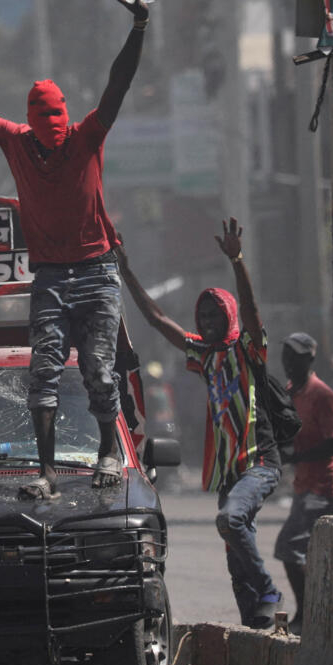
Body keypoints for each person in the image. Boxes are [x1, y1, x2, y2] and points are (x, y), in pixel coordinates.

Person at [0, 0, 149, 500]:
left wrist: (139, 27)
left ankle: (109, 450)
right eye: (45, 130)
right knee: (42, 371)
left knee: (100, 372)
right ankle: (46, 473)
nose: (52, 138)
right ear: (32, 125)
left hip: (96, 271)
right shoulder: (17, 141)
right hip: (49, 276)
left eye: (57, 128)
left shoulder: (86, 137)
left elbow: (117, 84)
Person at [115, 218, 284, 629]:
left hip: (259, 463)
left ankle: (269, 590)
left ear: (228, 316)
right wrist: (125, 270)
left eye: (214, 314)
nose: (207, 320)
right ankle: (257, 625)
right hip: (230, 473)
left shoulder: (248, 350)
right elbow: (156, 319)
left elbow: (251, 310)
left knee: (230, 521)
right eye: (202, 314)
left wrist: (237, 261)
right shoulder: (204, 356)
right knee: (234, 556)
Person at [271, 332, 333, 635]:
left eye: (295, 357)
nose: (288, 362)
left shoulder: (322, 395)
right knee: (302, 551)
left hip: (322, 486)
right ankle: (317, 612)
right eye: (286, 355)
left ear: (309, 359)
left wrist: (296, 456)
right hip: (303, 485)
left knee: (290, 547)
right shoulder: (290, 391)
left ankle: (309, 612)